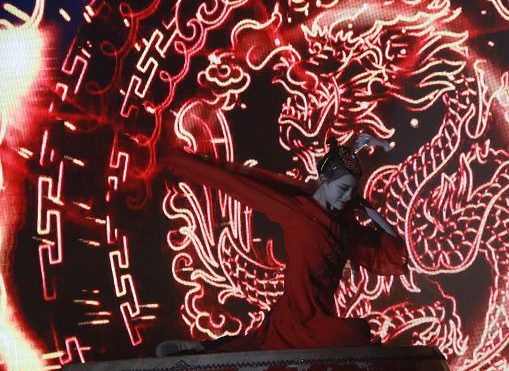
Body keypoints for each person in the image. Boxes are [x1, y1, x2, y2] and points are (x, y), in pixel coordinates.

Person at [155, 134, 408, 357]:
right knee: (355, 336)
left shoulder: (345, 225)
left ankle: (204, 348)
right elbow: (234, 183)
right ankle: (202, 349)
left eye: (352, 192)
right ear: (323, 179)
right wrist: (180, 162)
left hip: (320, 319)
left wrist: (369, 208)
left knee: (359, 331)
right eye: (343, 189)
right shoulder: (298, 212)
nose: (347, 197)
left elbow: (391, 249)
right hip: (298, 318)